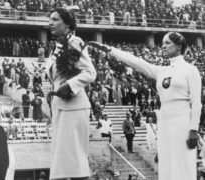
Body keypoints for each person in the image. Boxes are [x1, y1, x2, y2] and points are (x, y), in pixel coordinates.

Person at [90, 32, 202, 180]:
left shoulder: (190, 70)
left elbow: (196, 102)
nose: (163, 46)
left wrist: (193, 129)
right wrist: (109, 49)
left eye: (168, 43)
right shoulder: (162, 71)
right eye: (163, 42)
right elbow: (136, 62)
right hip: (164, 120)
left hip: (182, 120)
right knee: (166, 162)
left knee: (182, 162)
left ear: (179, 46)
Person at [47, 8, 96, 180]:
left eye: (55, 19)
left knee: (75, 163)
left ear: (67, 24)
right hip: (61, 107)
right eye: (50, 19)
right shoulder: (58, 46)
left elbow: (90, 73)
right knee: (63, 163)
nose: (50, 23)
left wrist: (69, 85)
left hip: (73, 107)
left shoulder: (74, 41)